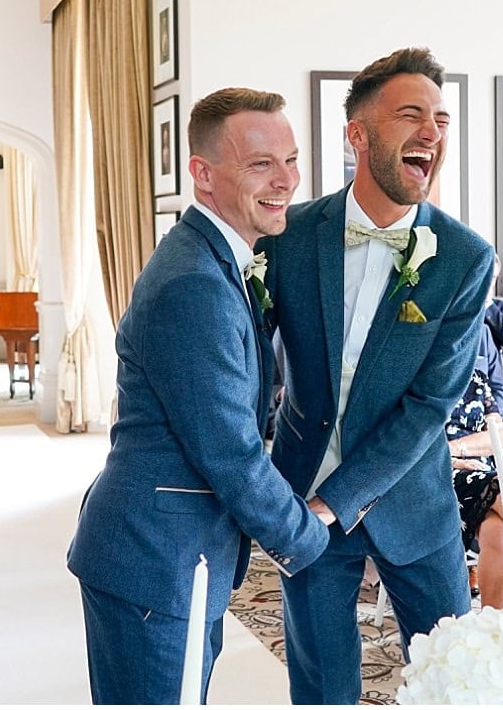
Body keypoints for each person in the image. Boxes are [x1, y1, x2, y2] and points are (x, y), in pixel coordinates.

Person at [66, 88, 330, 704]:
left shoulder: (214, 258)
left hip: (172, 551)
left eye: (291, 160)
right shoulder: (195, 283)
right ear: (203, 174)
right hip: (157, 559)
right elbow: (230, 453)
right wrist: (313, 538)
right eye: (261, 164)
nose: (286, 180)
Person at [256, 47, 493, 704]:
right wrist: (255, 481)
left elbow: (430, 405)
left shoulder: (466, 257)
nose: (432, 132)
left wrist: (339, 499)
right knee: (322, 687)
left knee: (452, 681)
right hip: (303, 496)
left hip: (412, 501)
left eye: (442, 120)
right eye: (411, 115)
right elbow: (250, 363)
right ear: (356, 135)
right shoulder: (287, 236)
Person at [446, 328, 503, 609]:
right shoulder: (416, 383)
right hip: (437, 475)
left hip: (483, 472)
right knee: (502, 488)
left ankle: (490, 620)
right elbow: (414, 446)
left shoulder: (477, 381)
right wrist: (451, 457)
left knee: (497, 530)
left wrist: (453, 448)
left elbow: (498, 439)